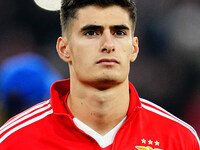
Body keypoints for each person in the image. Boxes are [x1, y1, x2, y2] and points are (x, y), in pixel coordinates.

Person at [0, 0, 199, 149]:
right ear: (64, 48)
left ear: (134, 48)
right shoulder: (12, 140)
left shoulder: (179, 139)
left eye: (119, 32)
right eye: (91, 33)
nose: (107, 45)